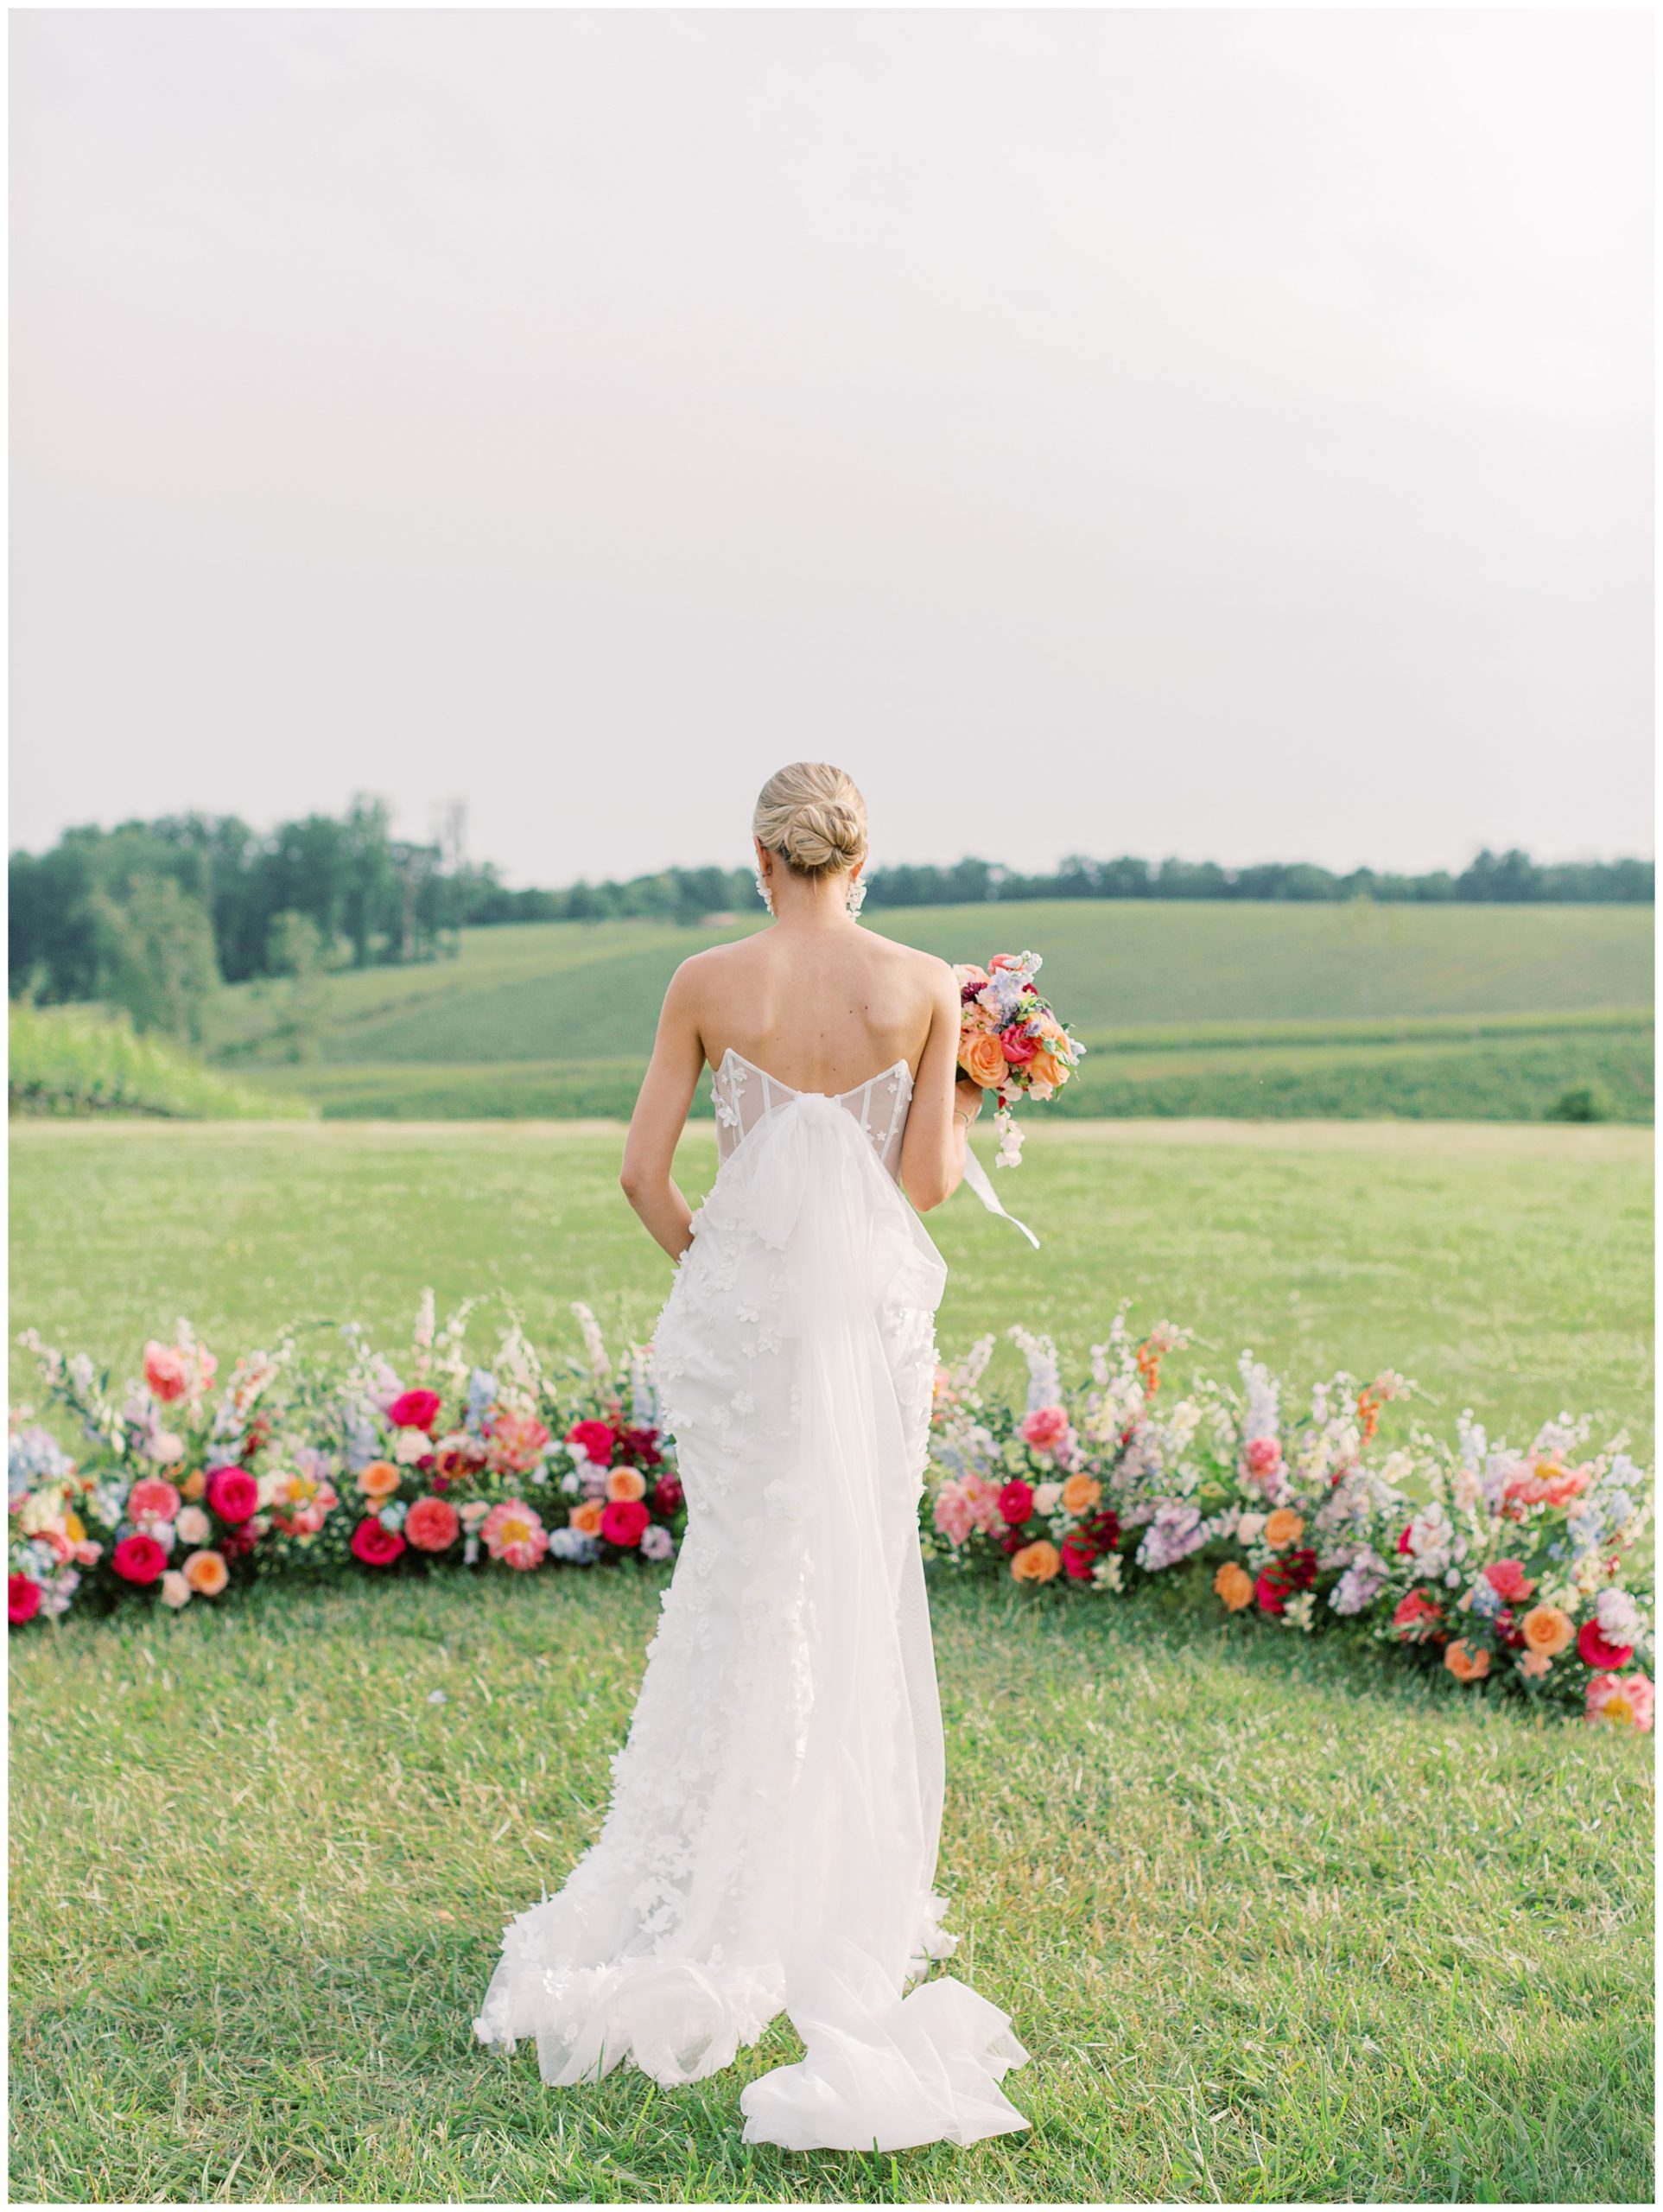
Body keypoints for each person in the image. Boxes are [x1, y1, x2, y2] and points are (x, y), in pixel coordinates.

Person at [473, 762, 1030, 2152]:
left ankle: (709, 1877)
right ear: (861, 857)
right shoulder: (918, 989)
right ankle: (823, 1875)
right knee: (837, 1570)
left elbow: (641, 1175)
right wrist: (975, 1089)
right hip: (863, 1332)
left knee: (739, 1575)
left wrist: (717, 1273)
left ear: (759, 858)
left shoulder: (705, 981)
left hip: (739, 1328)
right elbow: (920, 1186)